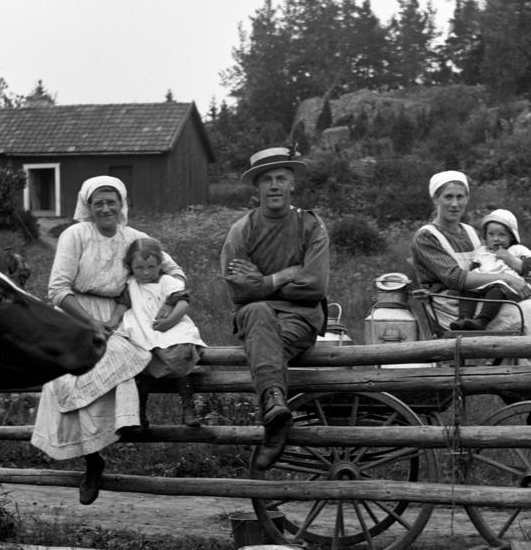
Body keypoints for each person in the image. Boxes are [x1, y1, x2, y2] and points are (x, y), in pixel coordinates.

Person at [31, 175, 185, 505]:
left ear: (121, 205)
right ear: (87, 206)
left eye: (111, 202)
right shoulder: (75, 235)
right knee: (71, 375)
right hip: (75, 315)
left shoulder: (135, 238)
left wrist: (164, 299)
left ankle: (129, 421)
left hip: (120, 313)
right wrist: (91, 323)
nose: (105, 209)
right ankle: (92, 460)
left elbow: (175, 272)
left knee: (123, 357)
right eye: (98, 203)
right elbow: (57, 289)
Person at [220, 147, 330, 472]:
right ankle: (275, 411)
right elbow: (238, 291)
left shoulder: (311, 226)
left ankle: (273, 412)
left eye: (281, 178)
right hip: (254, 317)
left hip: (300, 318)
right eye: (266, 180)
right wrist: (282, 277)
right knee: (257, 312)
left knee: (261, 327)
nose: (274, 186)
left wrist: (260, 283)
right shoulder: (242, 231)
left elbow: (314, 287)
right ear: (257, 187)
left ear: (292, 183)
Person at [411, 172, 531, 361]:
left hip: (485, 296)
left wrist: (521, 275)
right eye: (448, 197)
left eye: (460, 197)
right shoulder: (426, 237)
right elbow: (455, 278)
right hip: (455, 305)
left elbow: (489, 264)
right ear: (435, 199)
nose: (455, 204)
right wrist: (506, 278)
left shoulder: (470, 232)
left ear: (467, 198)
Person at [110, 237, 206, 428]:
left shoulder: (168, 282)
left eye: (151, 267)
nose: (145, 272)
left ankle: (188, 407)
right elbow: (122, 305)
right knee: (141, 359)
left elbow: (183, 303)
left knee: (180, 353)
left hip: (170, 326)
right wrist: (112, 321)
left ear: (160, 264)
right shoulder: (131, 285)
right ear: (131, 267)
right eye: (139, 268)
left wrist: (170, 322)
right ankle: (140, 414)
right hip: (142, 328)